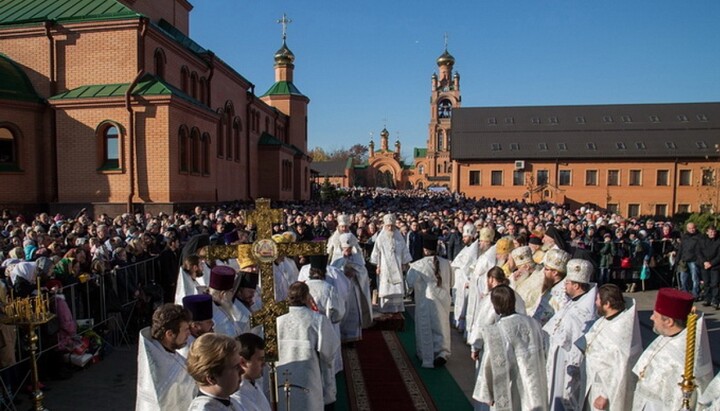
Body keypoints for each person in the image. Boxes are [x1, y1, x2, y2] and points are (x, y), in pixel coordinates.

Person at [632, 288, 714, 410]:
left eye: (655, 315)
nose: (651, 318)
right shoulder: (665, 337)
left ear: (669, 322)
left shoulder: (683, 358)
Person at [471, 285, 548, 411]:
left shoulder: (498, 330)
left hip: (513, 384)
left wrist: (487, 392)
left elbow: (491, 364)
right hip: (536, 382)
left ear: (495, 306)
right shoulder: (533, 323)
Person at [576, 283, 641, 411]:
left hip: (603, 388)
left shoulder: (620, 330)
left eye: (598, 299)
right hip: (590, 381)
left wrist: (605, 395)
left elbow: (619, 368)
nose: (595, 302)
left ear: (607, 304)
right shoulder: (605, 319)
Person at [544, 258, 598, 411]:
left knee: (563, 395)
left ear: (576, 285)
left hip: (567, 362)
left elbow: (578, 342)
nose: (564, 286)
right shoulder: (572, 301)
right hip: (557, 356)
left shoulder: (586, 312)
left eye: (567, 283)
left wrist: (573, 368)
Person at [276, 282, 340, 411]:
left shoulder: (276, 319)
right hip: (307, 376)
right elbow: (329, 351)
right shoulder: (318, 320)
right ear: (306, 298)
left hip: (279, 374)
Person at [136, 303, 196, 411]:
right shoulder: (158, 364)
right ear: (169, 334)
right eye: (186, 329)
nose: (189, 333)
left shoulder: (163, 351)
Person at [405, 234, 452, 368]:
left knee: (426, 327)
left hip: (427, 301)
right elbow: (452, 281)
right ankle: (443, 353)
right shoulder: (446, 263)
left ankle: (425, 354)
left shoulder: (417, 265)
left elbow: (410, 283)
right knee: (442, 325)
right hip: (444, 299)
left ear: (424, 250)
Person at [330, 233, 373, 343]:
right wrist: (343, 271)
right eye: (345, 248)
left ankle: (352, 337)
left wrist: (355, 273)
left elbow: (363, 272)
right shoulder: (337, 258)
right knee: (343, 311)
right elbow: (333, 272)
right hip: (341, 289)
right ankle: (341, 336)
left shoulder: (357, 257)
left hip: (354, 288)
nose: (347, 251)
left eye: (349, 249)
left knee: (354, 312)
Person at [186, 333, 245, 411]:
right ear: (212, 378)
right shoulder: (203, 409)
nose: (242, 371)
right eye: (236, 367)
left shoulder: (229, 402)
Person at [370, 213, 412, 313]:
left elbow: (404, 250)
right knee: (385, 288)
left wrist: (404, 263)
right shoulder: (381, 237)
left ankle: (397, 308)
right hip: (384, 267)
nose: (390, 228)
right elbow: (376, 252)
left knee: (396, 289)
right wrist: (378, 266)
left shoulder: (399, 236)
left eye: (392, 226)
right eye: (388, 226)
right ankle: (384, 308)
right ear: (384, 226)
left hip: (397, 265)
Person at [450, 223, 481, 331]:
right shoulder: (467, 248)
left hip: (466, 279)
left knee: (464, 302)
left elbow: (469, 265)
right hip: (459, 278)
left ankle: (462, 325)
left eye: (466, 237)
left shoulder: (475, 248)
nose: (463, 239)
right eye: (463, 236)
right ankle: (457, 321)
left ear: (472, 236)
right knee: (458, 300)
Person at [232, 333, 271, 411]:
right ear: (242, 362)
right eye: (260, 359)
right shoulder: (237, 396)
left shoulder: (255, 385)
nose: (264, 364)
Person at [532, 248, 571, 326]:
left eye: (546, 269)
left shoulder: (561, 296)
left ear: (555, 272)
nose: (543, 272)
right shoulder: (549, 286)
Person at [208, 265, 243, 337]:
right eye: (231, 291)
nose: (233, 294)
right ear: (223, 294)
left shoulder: (219, 307)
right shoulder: (219, 320)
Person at [677, 222, 701, 298]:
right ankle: (685, 293)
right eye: (690, 228)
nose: (691, 230)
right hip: (684, 259)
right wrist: (678, 258)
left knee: (695, 278)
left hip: (694, 260)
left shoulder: (699, 237)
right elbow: (681, 248)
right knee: (683, 278)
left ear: (695, 228)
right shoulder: (684, 236)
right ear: (687, 229)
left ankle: (695, 294)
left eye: (693, 228)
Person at [699, 225, 720, 309]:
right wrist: (704, 262)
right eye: (710, 232)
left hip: (715, 266)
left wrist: (711, 263)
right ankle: (707, 299)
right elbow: (699, 252)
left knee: (715, 284)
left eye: (714, 231)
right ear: (707, 232)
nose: (712, 233)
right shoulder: (702, 240)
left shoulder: (718, 241)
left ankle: (715, 300)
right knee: (706, 283)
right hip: (704, 265)